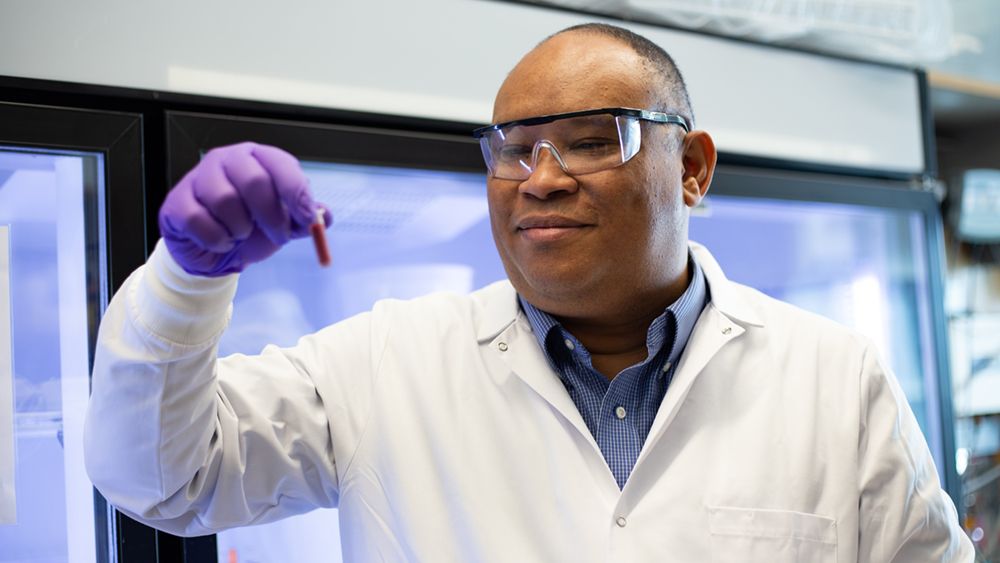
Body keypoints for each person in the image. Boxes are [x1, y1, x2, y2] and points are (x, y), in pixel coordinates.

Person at [84, 22, 974, 562]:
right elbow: (164, 479)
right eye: (513, 147)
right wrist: (185, 278)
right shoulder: (385, 360)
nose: (539, 178)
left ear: (692, 168)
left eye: (592, 139)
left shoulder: (834, 377)